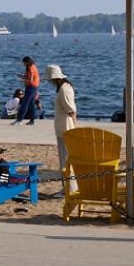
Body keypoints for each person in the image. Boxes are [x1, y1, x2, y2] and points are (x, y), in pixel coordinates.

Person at [48, 64, 77, 192]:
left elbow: (71, 110)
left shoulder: (64, 90)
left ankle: (69, 188)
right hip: (63, 127)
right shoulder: (64, 88)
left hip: (65, 128)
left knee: (65, 159)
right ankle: (69, 186)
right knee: (65, 159)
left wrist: (74, 126)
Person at [13, 56, 40, 125]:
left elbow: (30, 80)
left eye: (24, 63)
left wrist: (22, 79)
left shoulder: (30, 68)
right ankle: (32, 120)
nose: (24, 64)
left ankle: (19, 120)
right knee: (31, 104)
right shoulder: (33, 66)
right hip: (34, 86)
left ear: (27, 62)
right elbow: (30, 77)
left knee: (25, 103)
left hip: (31, 87)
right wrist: (23, 76)